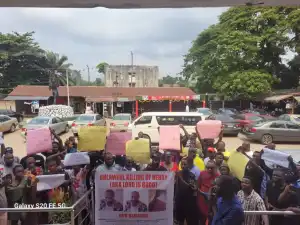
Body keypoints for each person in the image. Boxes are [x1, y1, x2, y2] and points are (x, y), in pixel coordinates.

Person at [174, 157, 199, 225]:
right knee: (179, 220)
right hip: (179, 200)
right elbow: (176, 186)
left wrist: (180, 177)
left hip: (189, 201)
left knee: (189, 220)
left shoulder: (192, 175)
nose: (183, 166)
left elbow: (193, 188)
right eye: (182, 164)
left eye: (185, 164)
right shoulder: (177, 173)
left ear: (188, 165)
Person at [198, 160, 220, 225]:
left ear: (215, 167)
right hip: (202, 200)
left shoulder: (218, 176)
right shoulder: (202, 173)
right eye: (208, 167)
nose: (209, 169)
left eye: (212, 168)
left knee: (211, 218)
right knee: (202, 218)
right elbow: (198, 185)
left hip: (212, 201)